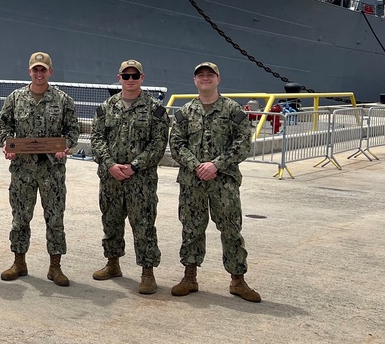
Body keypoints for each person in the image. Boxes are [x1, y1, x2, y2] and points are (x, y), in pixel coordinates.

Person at [168, 62, 261, 302]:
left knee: (230, 229)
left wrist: (215, 165)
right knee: (191, 229)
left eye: (210, 75)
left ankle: (238, 280)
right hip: (192, 180)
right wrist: (197, 166)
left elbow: (242, 144)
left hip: (224, 182)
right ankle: (189, 277)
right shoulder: (185, 112)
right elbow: (176, 144)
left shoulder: (232, 111)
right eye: (201, 75)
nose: (205, 78)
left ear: (218, 79)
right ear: (195, 81)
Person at [0, 52, 80, 286]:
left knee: (55, 219)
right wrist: (7, 144)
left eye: (43, 69)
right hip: (22, 170)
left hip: (52, 171)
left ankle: (55, 267)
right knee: (20, 218)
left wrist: (66, 147)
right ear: (29, 71)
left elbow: (73, 130)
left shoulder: (63, 100)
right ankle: (19, 262)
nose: (39, 73)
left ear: (50, 72)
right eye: (36, 69)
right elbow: (5, 125)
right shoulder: (15, 98)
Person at [89, 60, 171, 294]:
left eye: (135, 76)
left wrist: (135, 166)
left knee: (144, 225)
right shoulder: (106, 107)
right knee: (111, 222)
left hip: (141, 180)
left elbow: (158, 144)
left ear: (142, 78)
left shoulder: (155, 109)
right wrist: (110, 165)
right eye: (126, 76)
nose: (131, 80)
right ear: (119, 78)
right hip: (111, 178)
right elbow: (97, 139)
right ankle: (113, 264)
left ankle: (147, 272)